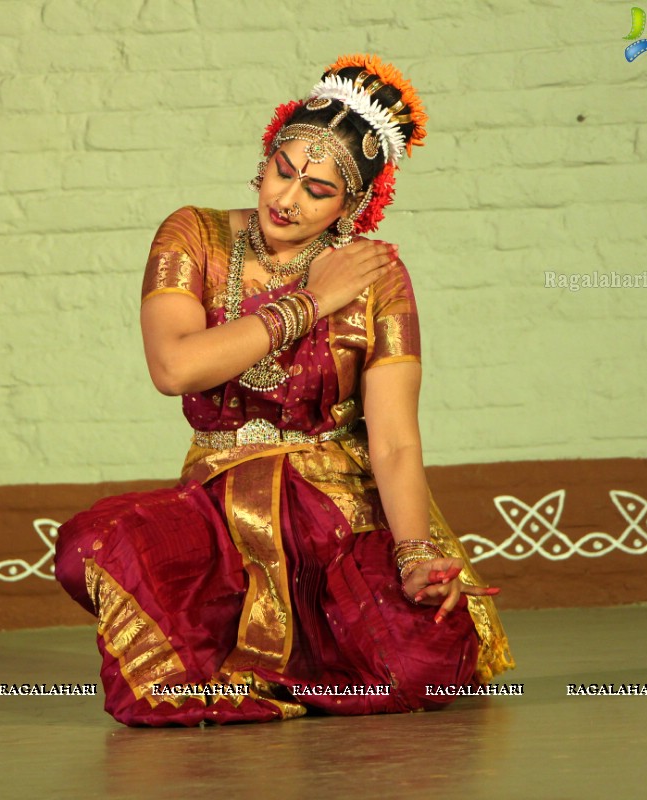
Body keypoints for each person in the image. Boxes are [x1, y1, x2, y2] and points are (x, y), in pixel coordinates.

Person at [55, 54, 514, 727]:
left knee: (426, 657)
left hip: (334, 515)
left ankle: (254, 677)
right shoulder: (195, 235)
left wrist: (415, 554)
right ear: (266, 156)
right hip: (216, 505)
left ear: (354, 204)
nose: (288, 198)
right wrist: (310, 301)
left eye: (318, 190)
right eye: (284, 169)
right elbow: (175, 369)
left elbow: (391, 439)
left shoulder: (375, 273)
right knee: (93, 547)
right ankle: (255, 670)